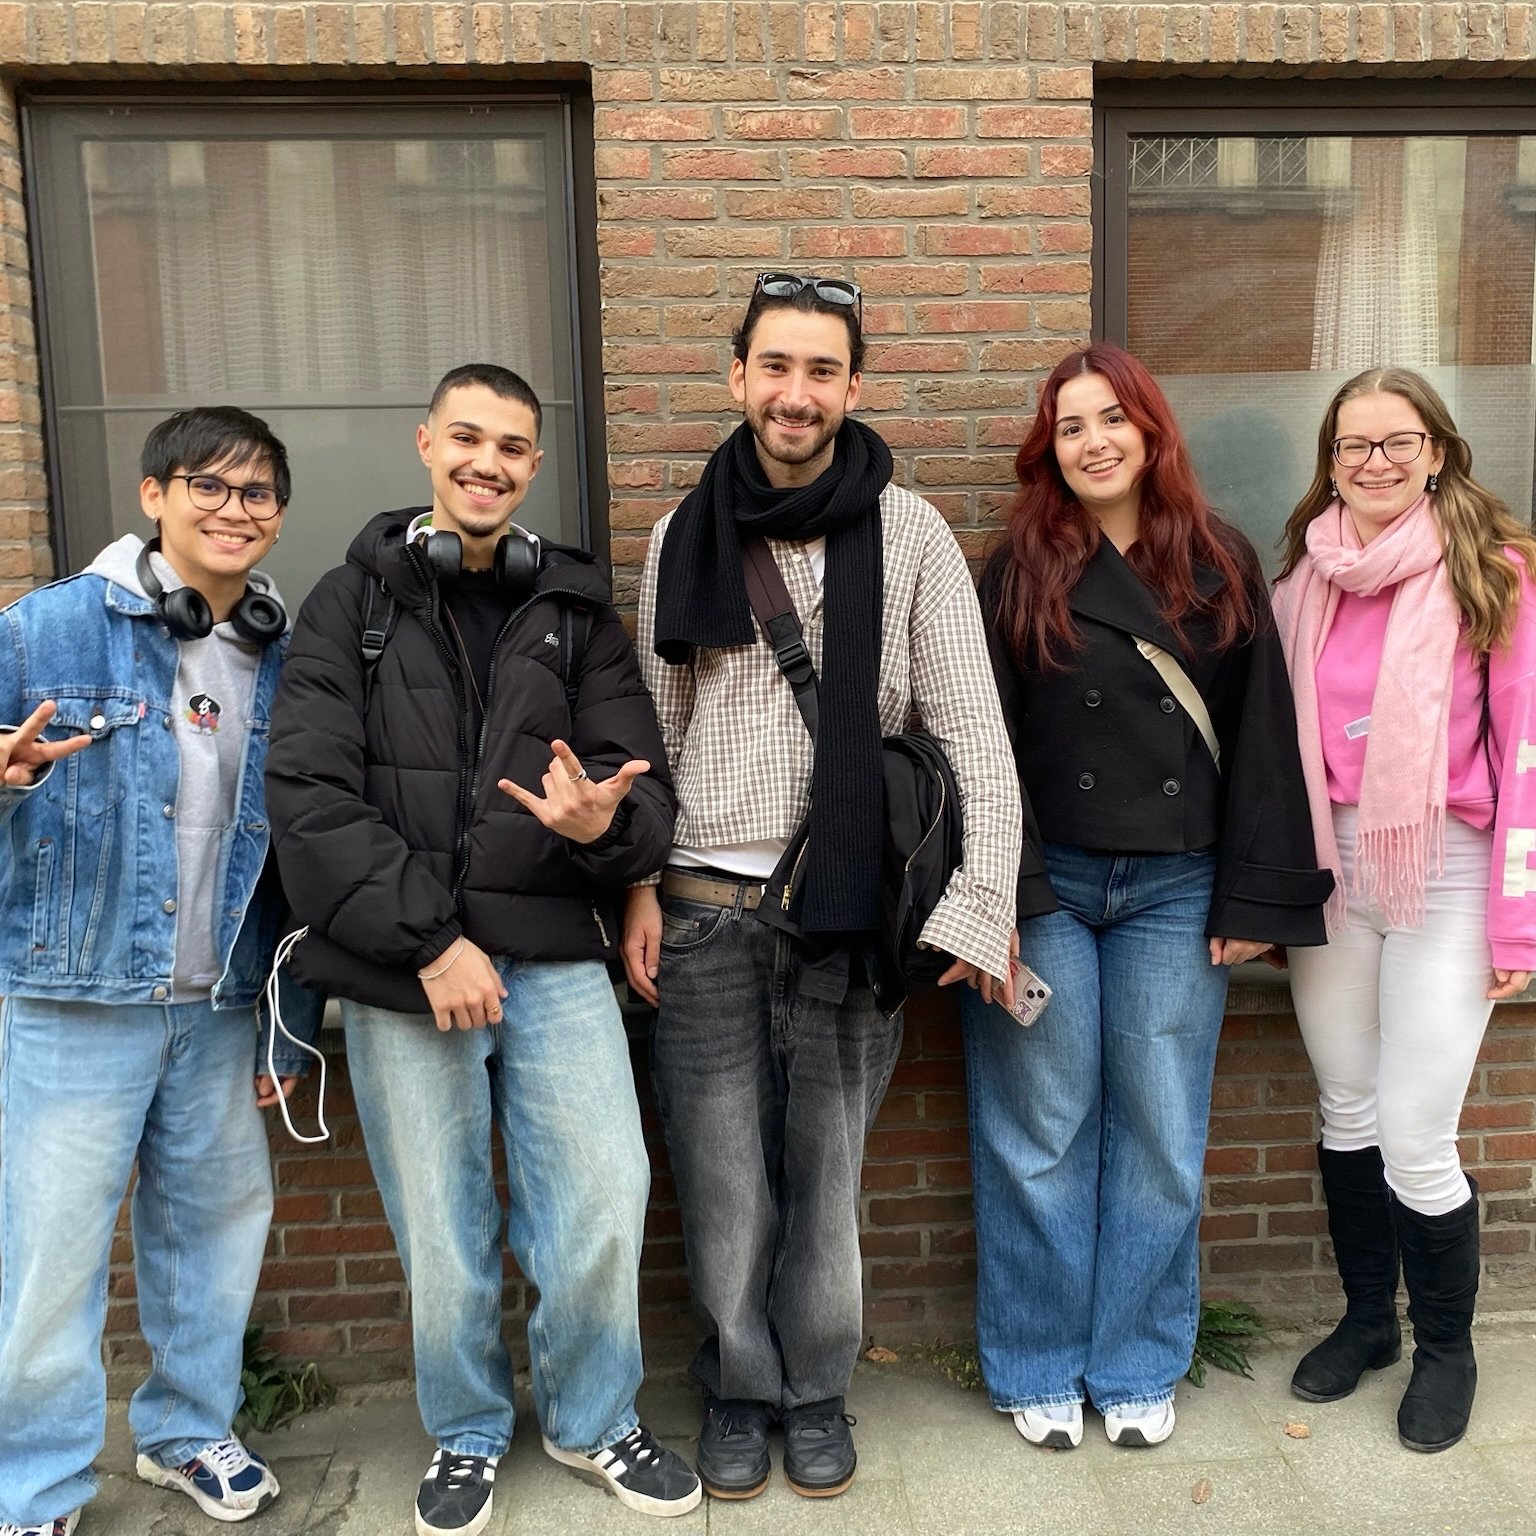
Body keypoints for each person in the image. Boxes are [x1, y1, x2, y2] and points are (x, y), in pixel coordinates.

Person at [265, 363, 700, 1536]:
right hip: (406, 969)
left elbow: (644, 790)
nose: (487, 462)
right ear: (424, 442)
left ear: (534, 467)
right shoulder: (341, 606)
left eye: (512, 446)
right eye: (466, 437)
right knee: (444, 1233)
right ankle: (465, 1432)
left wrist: (611, 830)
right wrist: (431, 942)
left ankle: (591, 1414)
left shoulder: (575, 616)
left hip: (555, 957)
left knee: (607, 1194)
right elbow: (307, 800)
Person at [622, 274, 1022, 1500]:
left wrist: (978, 904)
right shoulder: (680, 537)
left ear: (854, 387)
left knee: (828, 1180)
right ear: (738, 377)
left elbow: (971, 731)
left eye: (823, 371)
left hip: (852, 914)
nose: (797, 394)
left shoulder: (913, 538)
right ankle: (741, 1386)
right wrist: (636, 887)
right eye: (776, 367)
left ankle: (818, 1387)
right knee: (725, 1181)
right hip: (702, 919)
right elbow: (654, 734)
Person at [966, 343, 1332, 1453]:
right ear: (1050, 447)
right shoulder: (1018, 565)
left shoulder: (1218, 559)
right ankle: (1034, 1358)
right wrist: (1000, 894)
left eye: (1112, 419)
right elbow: (981, 746)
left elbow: (1265, 733)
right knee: (1039, 1129)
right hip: (1051, 883)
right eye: (1071, 424)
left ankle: (1135, 1364)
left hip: (1178, 886)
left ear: (1151, 432)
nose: (1093, 441)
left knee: (1163, 1134)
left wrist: (1250, 895)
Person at [0, 407, 318, 1536]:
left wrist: (285, 1025)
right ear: (153, 495)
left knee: (212, 1234)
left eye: (259, 494)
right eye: (209, 486)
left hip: (222, 1002)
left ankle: (186, 1430)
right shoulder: (43, 633)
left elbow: (289, 861)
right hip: (74, 998)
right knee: (50, 1256)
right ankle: (32, 1485)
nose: (235, 510)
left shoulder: (283, 658)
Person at [1273, 368, 1536, 1453]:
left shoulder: (1495, 575)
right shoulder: (1303, 582)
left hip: (1450, 868)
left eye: (1395, 441)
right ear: (1329, 462)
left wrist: (1518, 922)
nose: (1373, 462)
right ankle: (1366, 1323)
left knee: (1418, 1137)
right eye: (1351, 447)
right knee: (1349, 1108)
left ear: (1436, 450)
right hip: (1336, 871)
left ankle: (1447, 1350)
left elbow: (1527, 756)